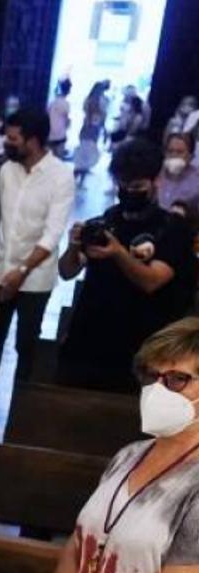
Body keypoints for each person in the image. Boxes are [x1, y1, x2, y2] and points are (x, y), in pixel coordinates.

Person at [40, 317, 199, 573]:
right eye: (151, 376)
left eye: (177, 379)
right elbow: (80, 546)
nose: (158, 390)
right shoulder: (130, 455)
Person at [57, 139, 195, 393]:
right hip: (89, 340)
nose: (130, 192)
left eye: (137, 186)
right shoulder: (108, 220)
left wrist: (118, 252)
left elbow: (151, 280)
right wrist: (74, 246)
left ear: (156, 182)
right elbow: (67, 271)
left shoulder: (172, 229)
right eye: (123, 185)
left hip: (141, 346)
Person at [0, 107, 75, 419]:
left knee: (25, 343)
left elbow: (54, 231)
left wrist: (23, 270)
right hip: (1, 269)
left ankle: (22, 407)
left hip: (36, 275)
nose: (7, 142)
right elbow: (3, 221)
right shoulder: (7, 170)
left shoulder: (61, 175)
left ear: (33, 141)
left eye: (13, 138)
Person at [75, 81, 111, 186]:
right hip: (94, 129)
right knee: (88, 154)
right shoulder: (103, 101)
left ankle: (77, 175)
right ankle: (81, 179)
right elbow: (103, 116)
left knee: (83, 153)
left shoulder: (88, 100)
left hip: (86, 128)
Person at [159, 133, 199, 214]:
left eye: (180, 152)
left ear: (191, 156)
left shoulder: (197, 181)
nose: (174, 155)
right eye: (170, 151)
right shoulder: (155, 173)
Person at [48, 78, 72, 157]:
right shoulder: (65, 104)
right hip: (60, 134)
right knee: (57, 159)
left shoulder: (52, 102)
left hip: (49, 133)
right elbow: (66, 121)